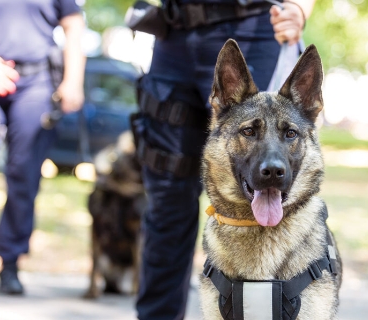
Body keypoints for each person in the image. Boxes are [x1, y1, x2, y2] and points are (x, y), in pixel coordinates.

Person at [131, 0, 316, 318]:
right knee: (166, 202)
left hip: (254, 29)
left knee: (265, 188)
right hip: (172, 35)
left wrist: (298, 7)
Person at [0, 0, 85, 294]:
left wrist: (73, 81)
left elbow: (74, 27)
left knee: (23, 174)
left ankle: (10, 261)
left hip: (37, 81)